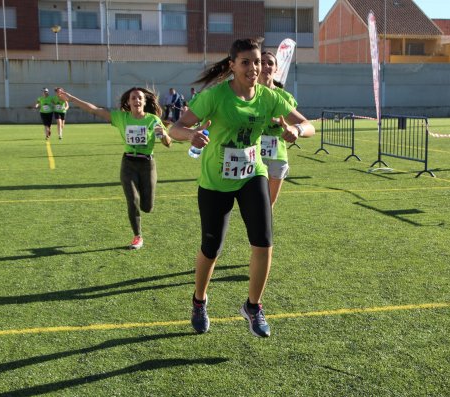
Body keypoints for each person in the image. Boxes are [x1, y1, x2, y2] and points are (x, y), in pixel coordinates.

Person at [169, 37, 315, 338]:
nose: (253, 67)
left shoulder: (269, 97)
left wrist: (296, 130)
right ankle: (199, 301)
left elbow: (308, 125)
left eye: (257, 62)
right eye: (246, 62)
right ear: (232, 65)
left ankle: (253, 306)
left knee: (263, 241)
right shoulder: (215, 97)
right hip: (215, 181)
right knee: (212, 249)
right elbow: (176, 128)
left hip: (252, 175)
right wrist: (191, 135)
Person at [56, 87, 172, 250]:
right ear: (128, 102)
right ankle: (137, 236)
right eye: (133, 98)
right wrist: (71, 98)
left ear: (145, 102)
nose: (136, 101)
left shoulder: (153, 120)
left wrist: (163, 135)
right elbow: (94, 110)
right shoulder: (121, 117)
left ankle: (144, 210)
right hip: (128, 164)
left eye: (139, 98)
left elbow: (168, 144)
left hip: (147, 165)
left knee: (147, 207)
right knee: (132, 200)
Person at [259, 51, 314, 208]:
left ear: (276, 68)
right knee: (254, 202)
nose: (265, 66)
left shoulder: (285, 98)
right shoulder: (247, 95)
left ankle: (264, 232)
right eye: (261, 62)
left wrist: (295, 129)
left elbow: (307, 125)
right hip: (253, 155)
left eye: (270, 63)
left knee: (269, 203)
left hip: (278, 156)